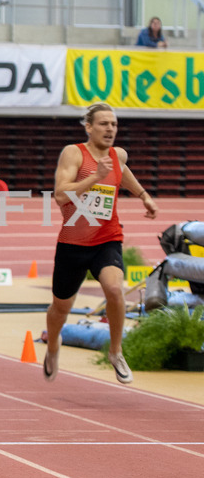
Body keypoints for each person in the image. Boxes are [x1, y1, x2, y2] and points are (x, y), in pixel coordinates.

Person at [43, 103, 158, 385]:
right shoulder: (74, 153)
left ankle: (116, 352)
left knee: (115, 290)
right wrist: (95, 177)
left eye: (114, 124)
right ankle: (53, 344)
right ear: (89, 127)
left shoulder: (118, 155)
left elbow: (123, 171)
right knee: (60, 308)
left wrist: (143, 194)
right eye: (104, 123)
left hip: (107, 238)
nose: (110, 129)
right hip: (73, 243)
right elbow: (60, 195)